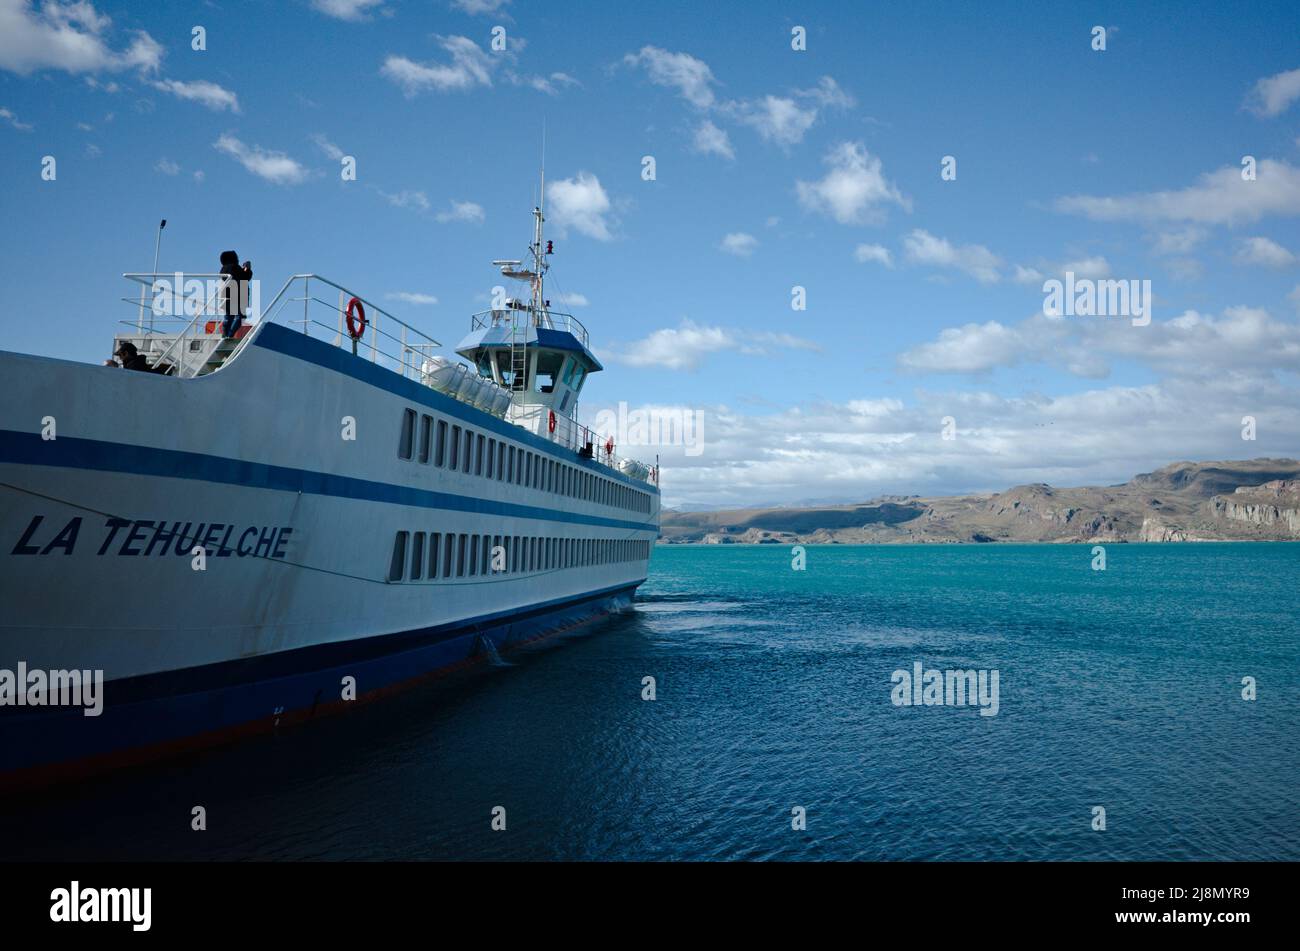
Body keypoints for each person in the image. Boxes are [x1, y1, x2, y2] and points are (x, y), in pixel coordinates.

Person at [218, 250, 253, 338]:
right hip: (240, 294)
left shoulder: (223, 268)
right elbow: (245, 277)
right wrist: (247, 268)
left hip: (227, 294)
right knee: (239, 316)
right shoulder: (235, 267)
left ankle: (225, 334)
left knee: (228, 316)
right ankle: (229, 335)